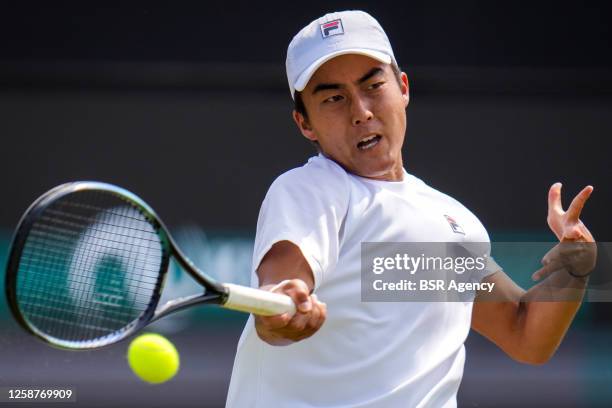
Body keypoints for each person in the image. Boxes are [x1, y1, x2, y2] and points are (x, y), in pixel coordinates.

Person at [226, 10, 595, 407]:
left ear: (402, 87)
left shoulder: (453, 223)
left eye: (373, 85)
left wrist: (574, 270)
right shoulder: (308, 190)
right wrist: (283, 305)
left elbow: (526, 336)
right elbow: (281, 287)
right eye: (334, 98)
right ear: (305, 123)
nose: (361, 111)